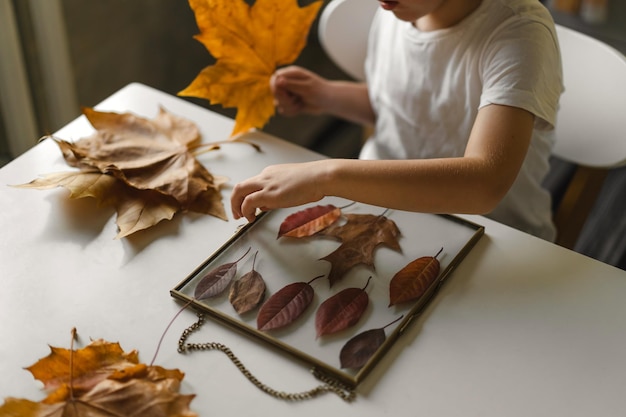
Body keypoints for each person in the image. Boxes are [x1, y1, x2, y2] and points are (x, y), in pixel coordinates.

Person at [231, 0, 563, 241]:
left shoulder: (520, 33)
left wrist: (324, 175)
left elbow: (484, 186)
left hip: (492, 236)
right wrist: (327, 95)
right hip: (381, 212)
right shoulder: (396, 11)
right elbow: (402, 111)